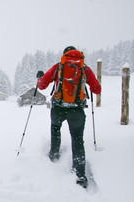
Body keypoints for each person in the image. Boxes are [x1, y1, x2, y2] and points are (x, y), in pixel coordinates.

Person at [36, 46, 101, 188]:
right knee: (77, 140)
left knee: (55, 128)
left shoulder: (59, 67)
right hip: (77, 111)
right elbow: (97, 89)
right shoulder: (85, 70)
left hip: (58, 108)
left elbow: (42, 86)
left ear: (64, 55)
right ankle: (80, 175)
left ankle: (54, 154)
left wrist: (39, 78)